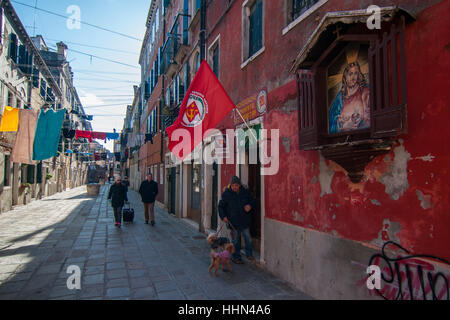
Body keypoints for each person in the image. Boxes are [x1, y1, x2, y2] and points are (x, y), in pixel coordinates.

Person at [218, 176, 256, 264]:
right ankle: (236, 257)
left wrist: (249, 206)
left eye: (236, 185)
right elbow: (221, 206)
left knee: (248, 238)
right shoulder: (226, 194)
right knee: (236, 240)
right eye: (233, 185)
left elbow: (252, 201)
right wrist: (223, 216)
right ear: (230, 185)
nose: (235, 187)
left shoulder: (245, 192)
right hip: (233, 222)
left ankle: (249, 254)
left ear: (239, 185)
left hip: (245, 220)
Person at [329, 61, 370, 134]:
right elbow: (330, 120)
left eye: (356, 73)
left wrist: (356, 123)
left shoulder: (365, 91)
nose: (353, 77)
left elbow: (370, 119)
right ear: (345, 76)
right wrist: (341, 123)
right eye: (350, 74)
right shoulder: (340, 96)